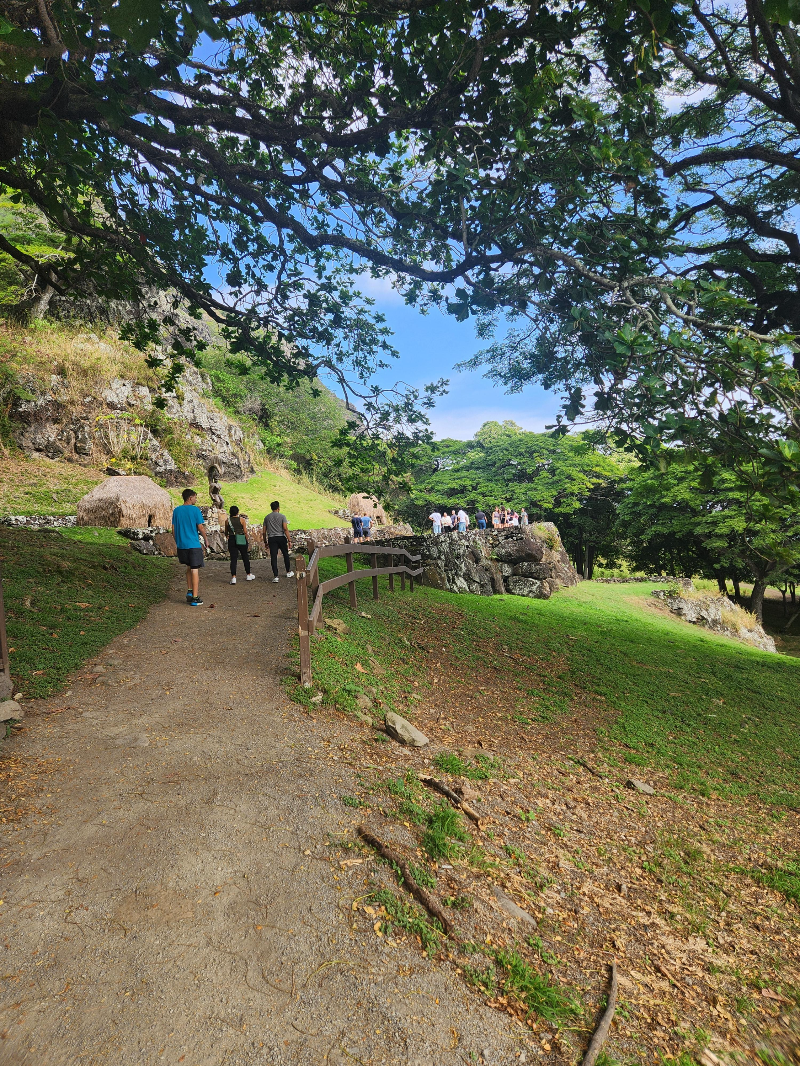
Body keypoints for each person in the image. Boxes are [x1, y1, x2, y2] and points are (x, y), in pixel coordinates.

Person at [172, 487, 207, 606]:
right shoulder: (195, 510)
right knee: (194, 569)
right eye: (195, 497)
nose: (196, 500)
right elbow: (200, 527)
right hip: (193, 544)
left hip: (182, 545)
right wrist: (206, 540)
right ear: (190, 497)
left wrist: (178, 541)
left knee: (188, 567)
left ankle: (190, 591)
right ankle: (195, 598)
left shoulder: (176, 510)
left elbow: (173, 529)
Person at [263, 501, 295, 584]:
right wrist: (289, 540)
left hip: (271, 538)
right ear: (278, 508)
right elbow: (285, 528)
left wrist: (265, 541)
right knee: (285, 554)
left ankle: (276, 576)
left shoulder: (267, 517)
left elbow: (264, 531)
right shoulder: (282, 516)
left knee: (273, 556)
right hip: (281, 537)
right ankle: (288, 572)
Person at [225, 505, 254, 584]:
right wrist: (246, 540)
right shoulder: (242, 520)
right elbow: (245, 531)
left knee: (233, 559)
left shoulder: (227, 521)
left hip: (232, 539)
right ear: (237, 512)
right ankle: (248, 574)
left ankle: (233, 577)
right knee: (245, 557)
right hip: (241, 539)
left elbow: (226, 532)